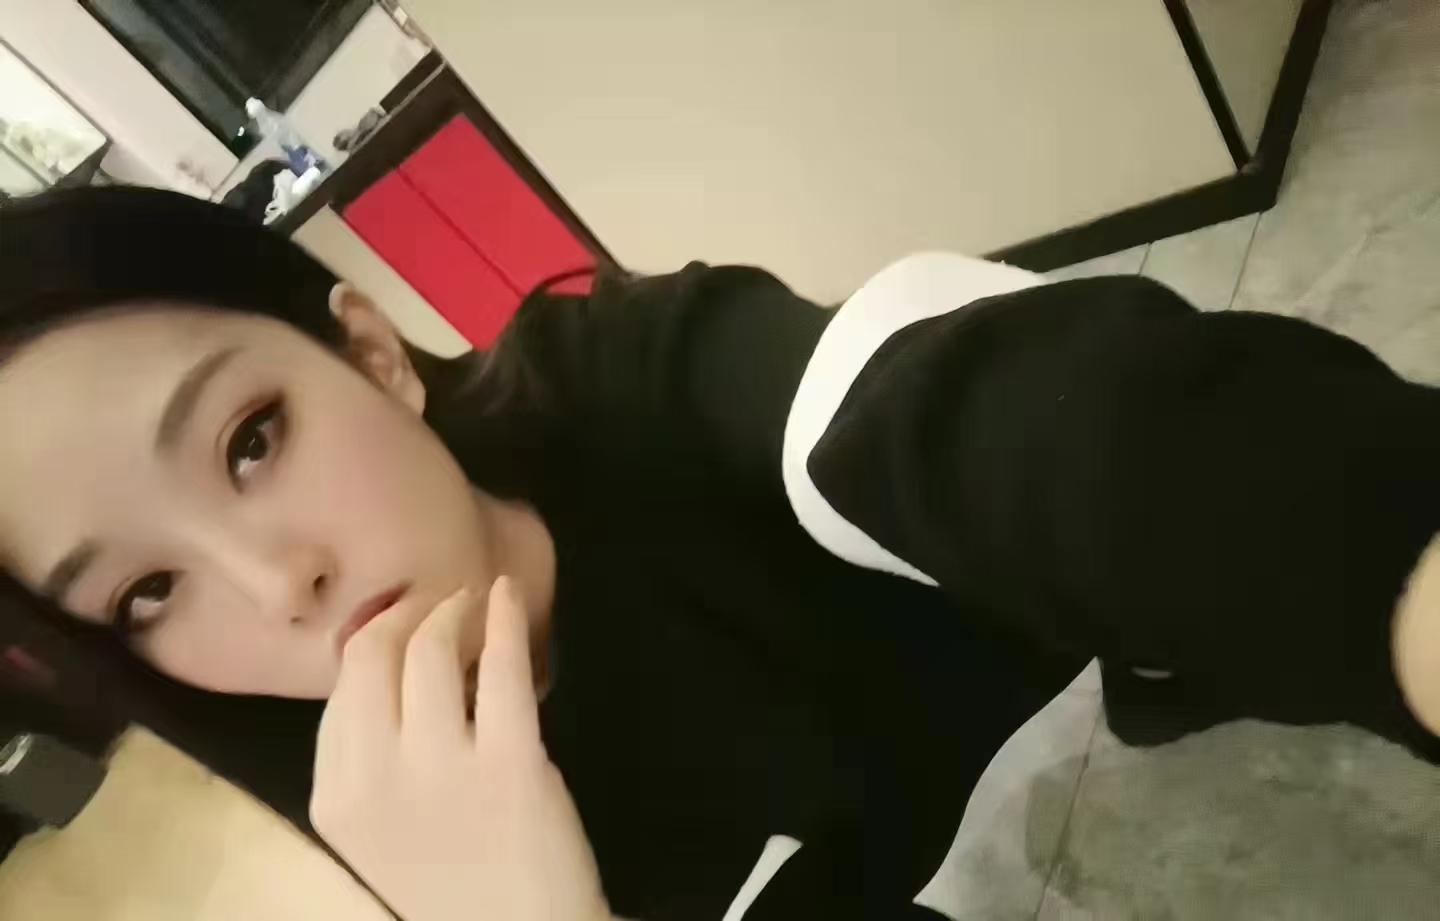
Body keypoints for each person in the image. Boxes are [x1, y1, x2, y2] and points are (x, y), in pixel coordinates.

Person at [2, 186, 1440, 921]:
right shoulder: (405, 817)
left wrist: (1393, 563)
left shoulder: (646, 378)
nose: (277, 585)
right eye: (146, 591)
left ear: (370, 354)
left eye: (252, 438)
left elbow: (1017, 421)